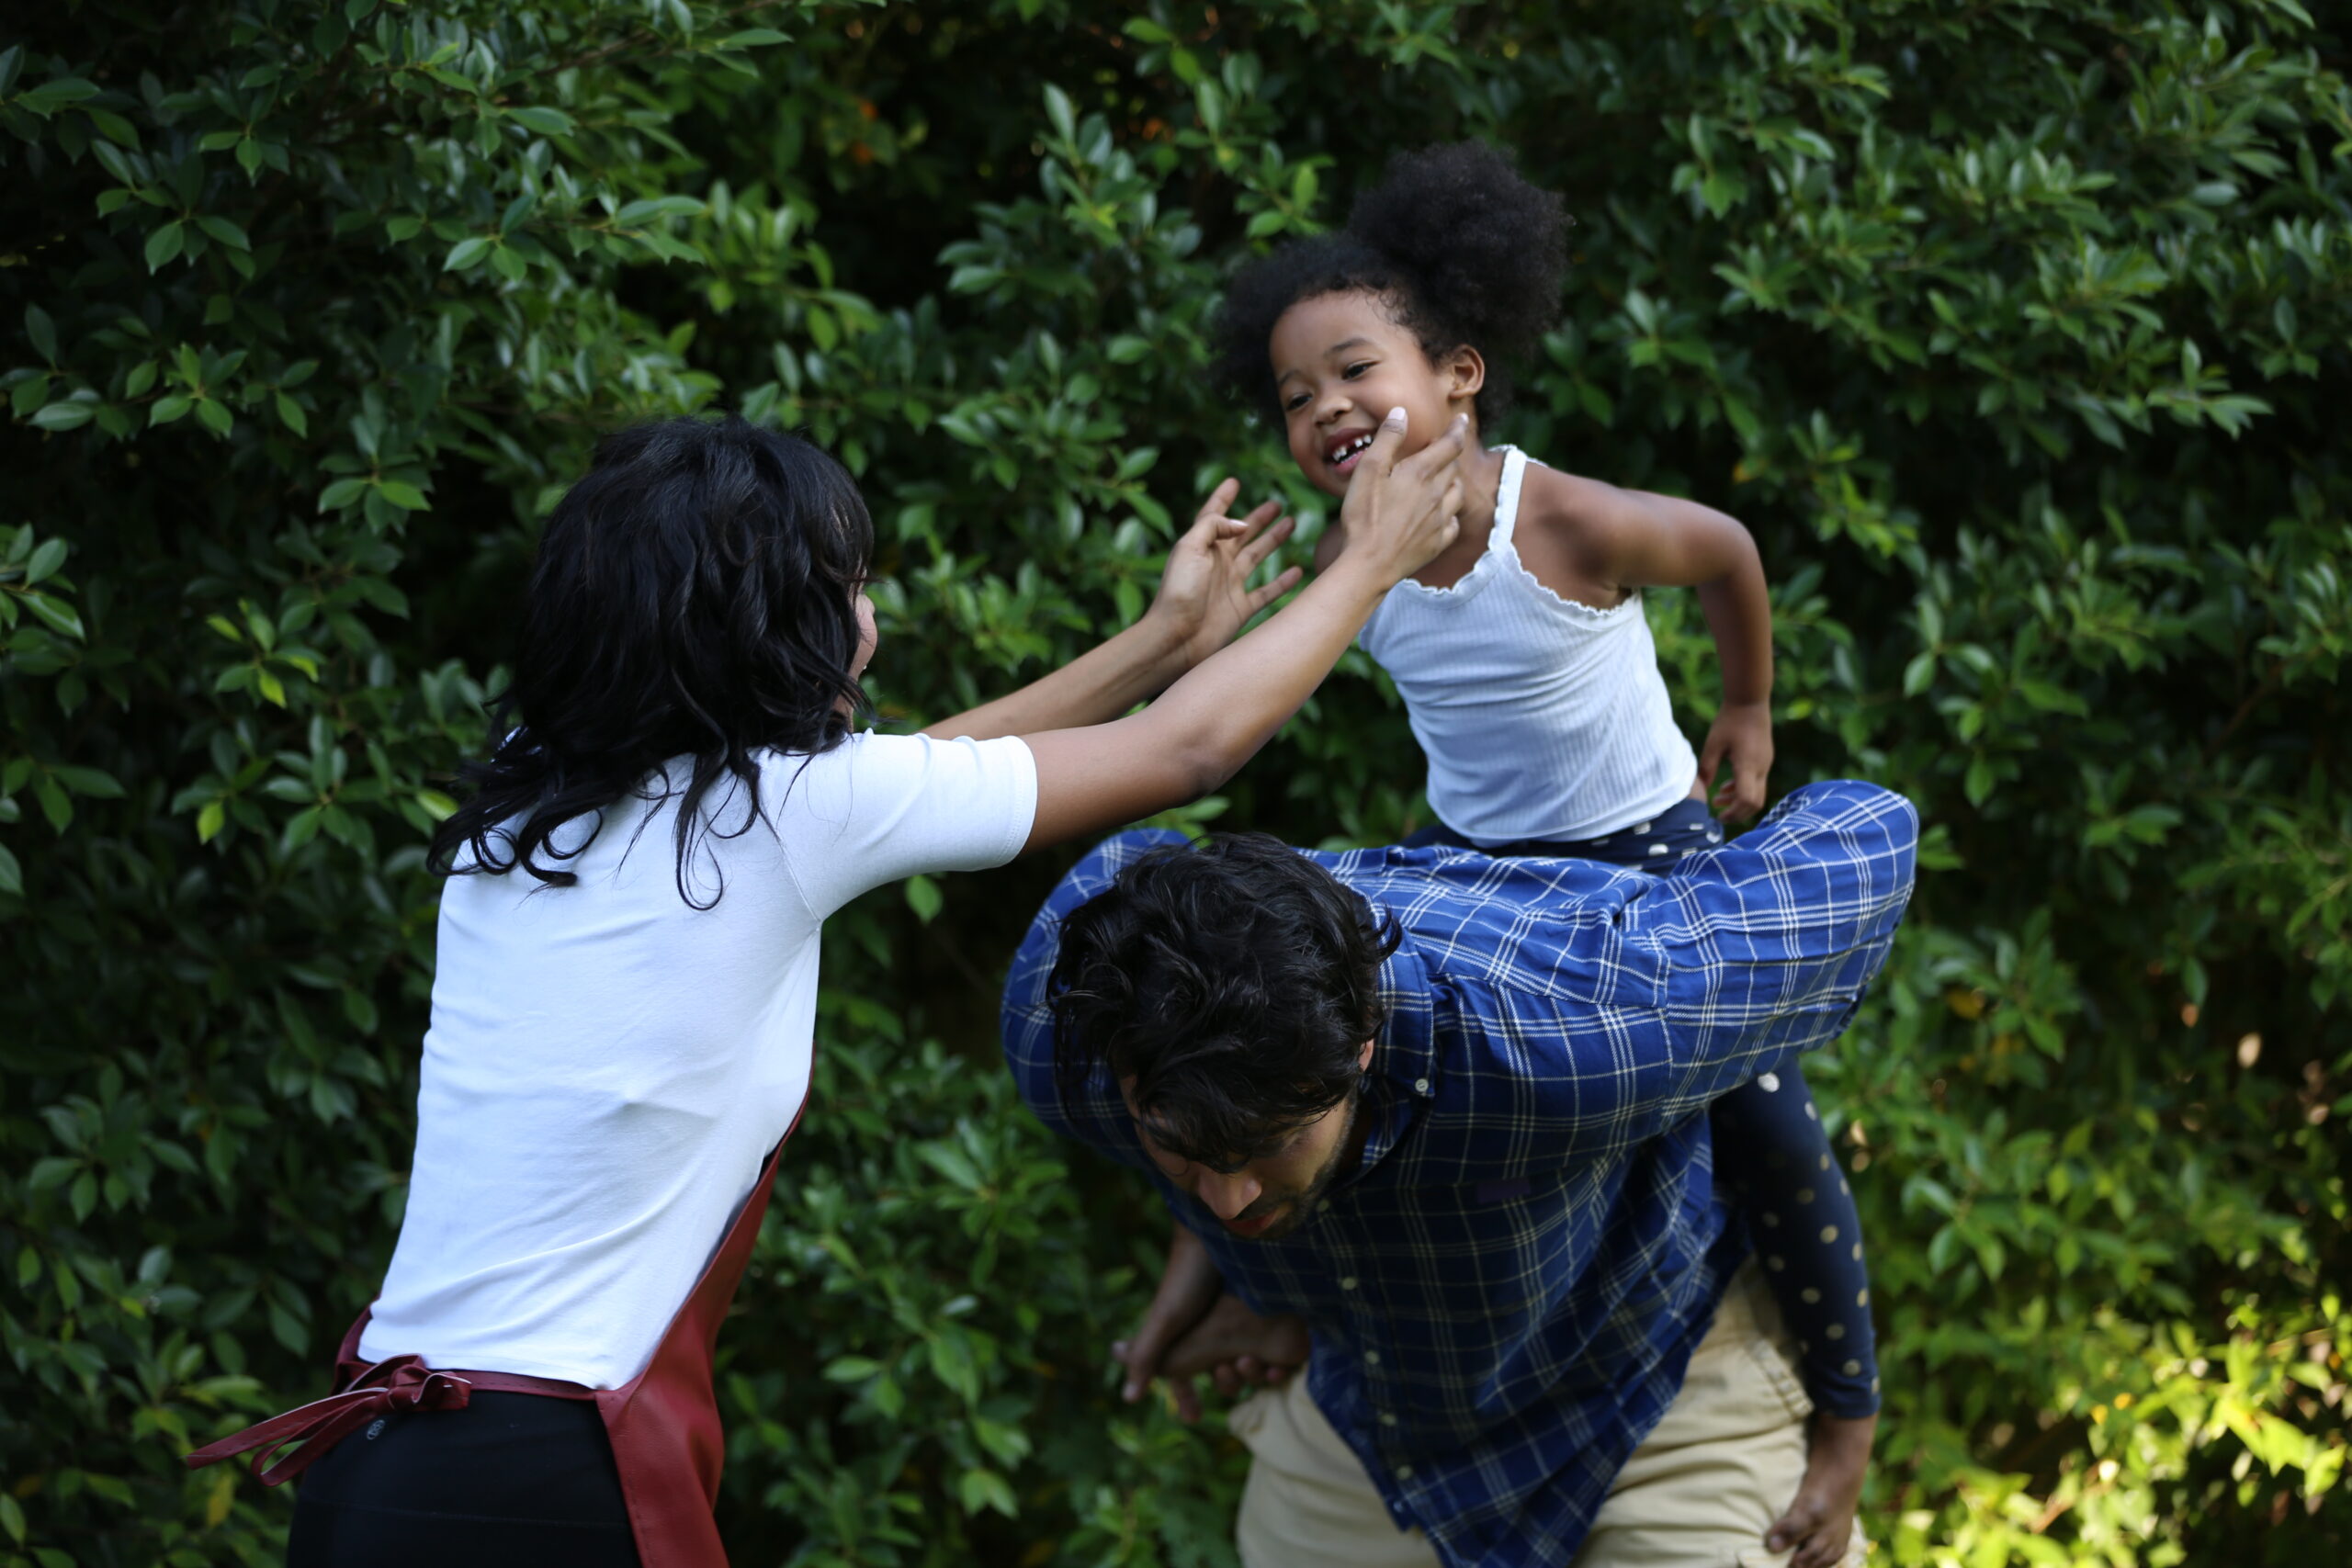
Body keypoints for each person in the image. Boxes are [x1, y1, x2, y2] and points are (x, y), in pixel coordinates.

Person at [184, 408, 1469, 1566]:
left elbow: (916, 779)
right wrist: (1368, 559)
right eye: (846, 586)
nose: (871, 620)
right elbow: (1189, 750)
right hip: (553, 1470)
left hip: (375, 1463)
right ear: (761, 621)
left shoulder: (528, 802)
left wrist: (1163, 638)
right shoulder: (785, 818)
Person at [1202, 140, 1881, 1563]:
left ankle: (1845, 1418)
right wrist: (1202, 632)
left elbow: (1728, 550)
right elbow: (1249, 698)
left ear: (1457, 372)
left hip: (1645, 851)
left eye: (1354, 370)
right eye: (1295, 395)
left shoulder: (1554, 517)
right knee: (1293, 1033)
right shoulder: (1354, 553)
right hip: (1479, 866)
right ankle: (1248, 1278)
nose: (1325, 406)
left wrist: (1746, 704)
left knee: (1767, 1123)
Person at [1001, 783, 1917, 1568]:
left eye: (1267, 1146)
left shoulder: (1577, 1033)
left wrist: (1848, 1409)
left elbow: (1866, 830)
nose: (1230, 1196)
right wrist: (1236, 1270)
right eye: (1186, 1153)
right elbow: (1145, 866)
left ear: (1358, 1053)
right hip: (1373, 1410)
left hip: (1655, 1382)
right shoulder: (1071, 1041)